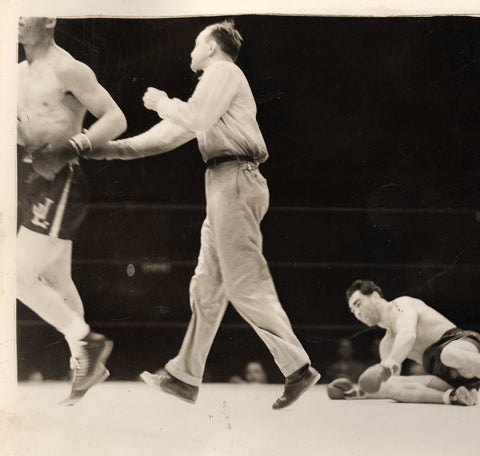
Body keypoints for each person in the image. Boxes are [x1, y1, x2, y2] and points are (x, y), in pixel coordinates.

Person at [87, 20, 319, 409]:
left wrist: (160, 101)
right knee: (206, 288)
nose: (191, 50)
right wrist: (104, 148)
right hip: (223, 183)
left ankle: (297, 367)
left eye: (197, 43)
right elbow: (166, 136)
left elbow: (189, 118)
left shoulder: (223, 71)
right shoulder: (212, 92)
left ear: (212, 47)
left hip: (235, 180)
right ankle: (184, 376)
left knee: (245, 282)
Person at [17, 17, 127, 405]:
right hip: (30, 179)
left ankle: (86, 343)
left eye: (26, 13)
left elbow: (116, 117)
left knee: (13, 275)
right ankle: (84, 369)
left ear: (49, 19)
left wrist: (73, 146)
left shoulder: (68, 67)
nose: (16, 19)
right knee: (56, 279)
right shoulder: (14, 74)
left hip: (62, 177)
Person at [345, 280, 480, 401]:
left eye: (358, 303)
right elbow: (385, 383)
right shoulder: (387, 343)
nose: (357, 313)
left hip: (460, 345)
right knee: (390, 385)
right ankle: (454, 398)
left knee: (448, 354)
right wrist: (355, 391)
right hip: (444, 376)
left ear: (375, 296)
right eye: (353, 311)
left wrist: (388, 364)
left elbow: (408, 334)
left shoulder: (401, 305)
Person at [327, 375, 479, 406]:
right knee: (392, 382)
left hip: (452, 369)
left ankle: (453, 396)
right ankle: (455, 393)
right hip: (453, 377)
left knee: (391, 384)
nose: (357, 312)